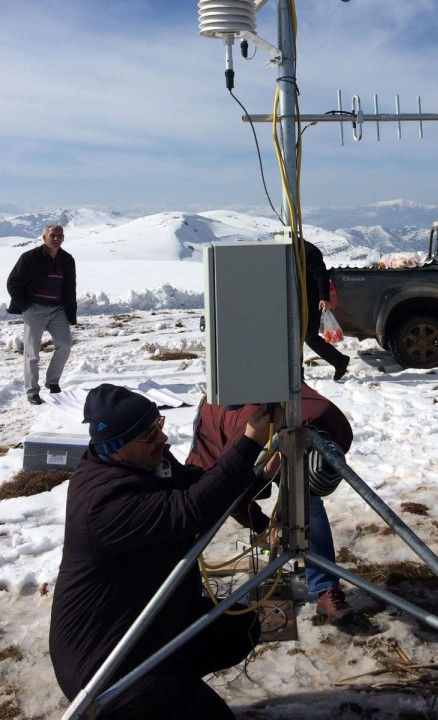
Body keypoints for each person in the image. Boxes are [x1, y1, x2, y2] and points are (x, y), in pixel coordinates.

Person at [49, 383, 281, 720]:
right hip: (101, 667)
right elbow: (192, 508)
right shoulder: (102, 503)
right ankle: (140, 701)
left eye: (158, 425)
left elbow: (196, 483)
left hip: (142, 625)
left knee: (236, 629)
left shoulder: (145, 460)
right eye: (148, 435)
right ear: (115, 449)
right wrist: (247, 444)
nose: (162, 438)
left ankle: (168, 685)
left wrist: (256, 477)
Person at [187, 382, 355, 624]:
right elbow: (227, 495)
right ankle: (180, 588)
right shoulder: (245, 436)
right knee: (198, 500)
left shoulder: (334, 426)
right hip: (222, 419)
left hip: (290, 435)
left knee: (310, 506)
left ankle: (326, 588)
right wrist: (263, 526)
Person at [6, 223, 77, 404]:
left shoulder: (67, 260)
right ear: (44, 237)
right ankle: (32, 391)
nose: (56, 239)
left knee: (65, 344)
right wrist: (25, 306)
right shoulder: (30, 257)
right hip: (34, 308)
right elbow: (13, 283)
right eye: (53, 235)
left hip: (57, 309)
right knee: (32, 353)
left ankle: (52, 382)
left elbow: (70, 288)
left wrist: (71, 311)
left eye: (60, 236)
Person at [302, 239, 349, 381]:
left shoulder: (308, 251)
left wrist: (324, 298)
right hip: (299, 301)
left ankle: (339, 360)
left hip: (311, 301)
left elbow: (321, 275)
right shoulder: (293, 251)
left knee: (309, 337)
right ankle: (297, 372)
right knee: (296, 338)